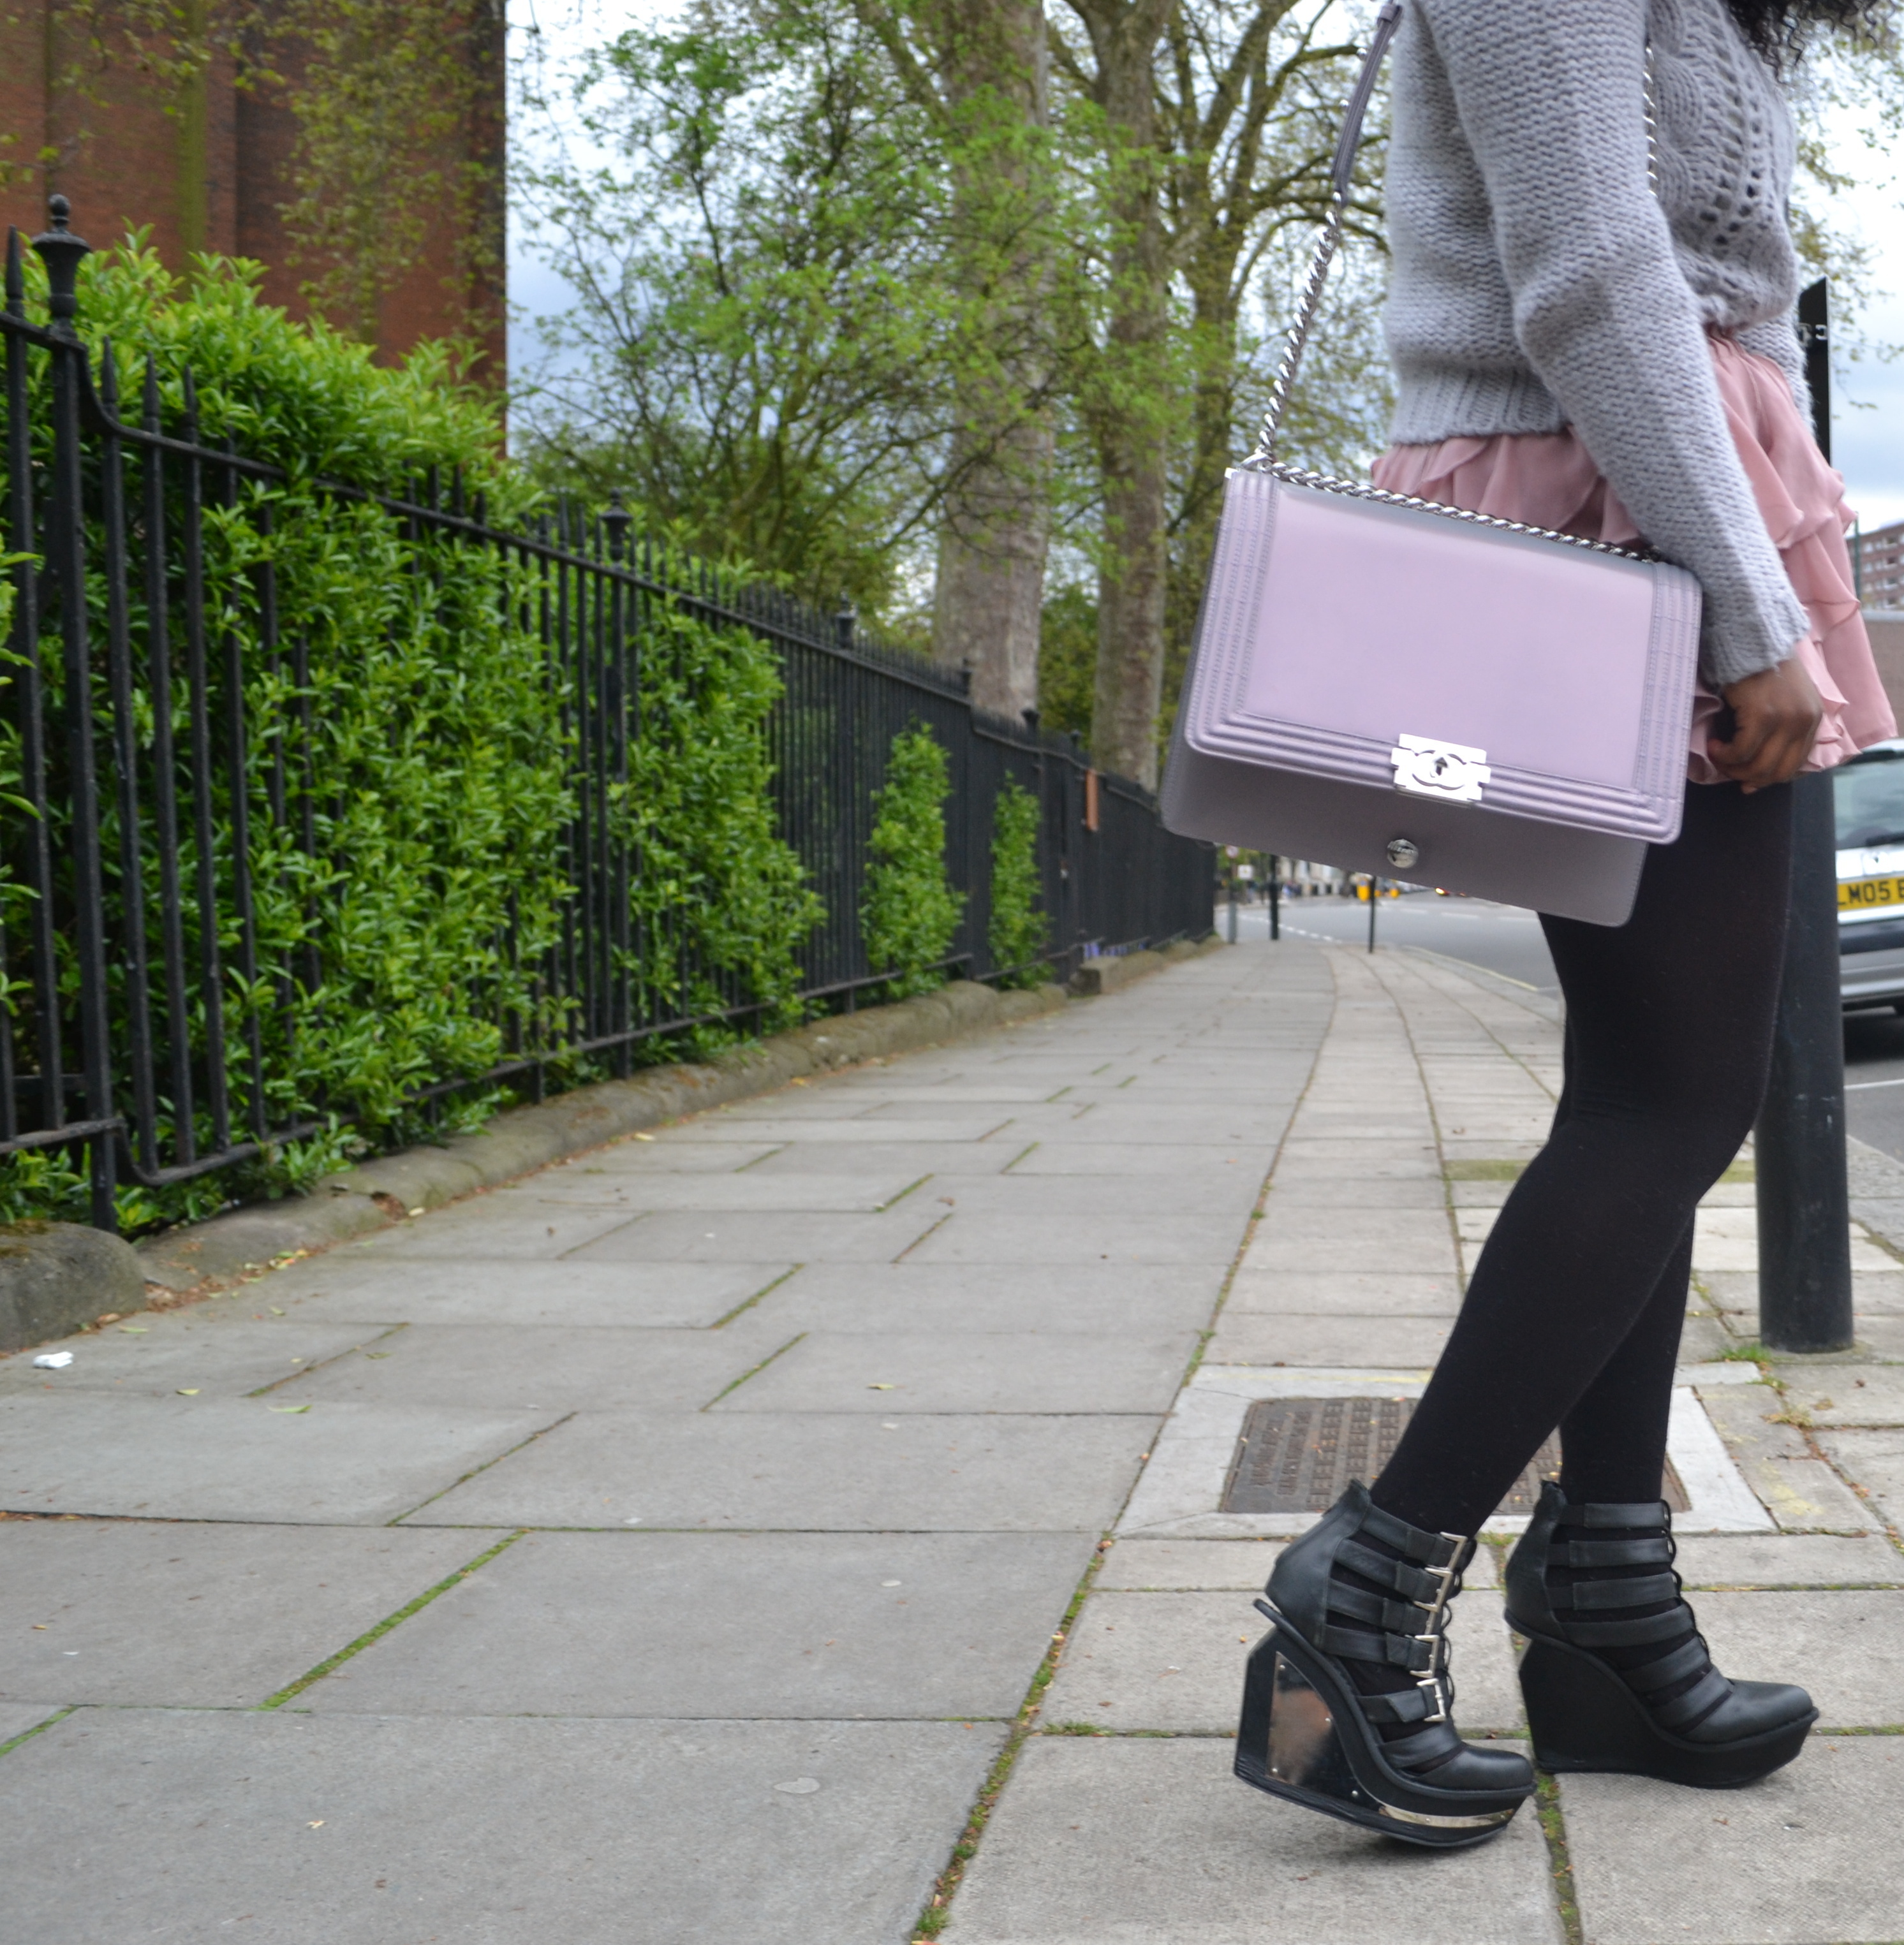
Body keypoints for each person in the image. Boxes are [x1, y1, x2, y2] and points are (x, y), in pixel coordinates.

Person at [1244, 0, 1896, 1849]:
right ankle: (1368, 1581)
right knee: (1676, 1098)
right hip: (1616, 514)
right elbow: (1591, 268)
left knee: (1646, 1084)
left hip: (1671, 489)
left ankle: (1605, 1598)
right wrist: (1744, 606)